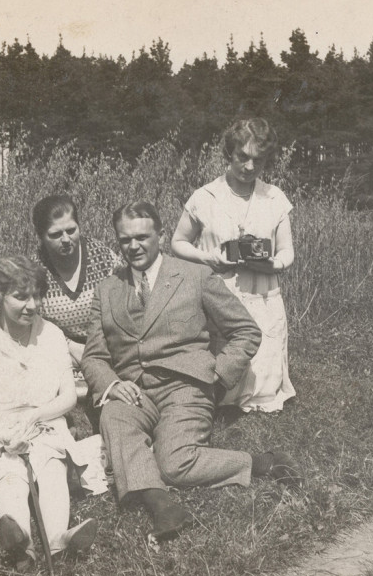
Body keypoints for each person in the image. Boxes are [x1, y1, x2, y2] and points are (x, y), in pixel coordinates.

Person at [81, 200, 302, 541]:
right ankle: (161, 503)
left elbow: (246, 331)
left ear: (161, 236)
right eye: (125, 240)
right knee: (113, 417)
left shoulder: (195, 276)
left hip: (185, 389)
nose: (134, 246)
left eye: (142, 237)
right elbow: (94, 356)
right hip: (133, 391)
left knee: (174, 462)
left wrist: (215, 377)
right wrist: (111, 384)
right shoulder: (107, 290)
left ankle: (261, 463)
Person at [0, 256, 100, 572]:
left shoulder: (50, 335)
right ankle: (19, 539)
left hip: (45, 419)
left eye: (36, 295)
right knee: (10, 474)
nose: (31, 305)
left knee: (52, 468)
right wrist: (9, 436)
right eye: (20, 296)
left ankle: (59, 538)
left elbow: (67, 397)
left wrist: (38, 415)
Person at [171, 118, 296, 413]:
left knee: (264, 375)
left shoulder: (274, 198)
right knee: (222, 364)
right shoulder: (205, 198)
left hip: (263, 294)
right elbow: (177, 243)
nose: (250, 167)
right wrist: (209, 258)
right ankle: (218, 395)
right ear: (229, 154)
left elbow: (287, 250)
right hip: (221, 296)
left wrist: (274, 265)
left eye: (258, 160)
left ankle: (263, 394)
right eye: (243, 157)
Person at [31, 194, 122, 412]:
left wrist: (94, 349)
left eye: (71, 230)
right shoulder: (34, 269)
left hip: (104, 344)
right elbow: (34, 321)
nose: (65, 239)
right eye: (55, 234)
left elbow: (121, 308)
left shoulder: (103, 257)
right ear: (41, 236)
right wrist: (70, 347)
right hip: (60, 349)